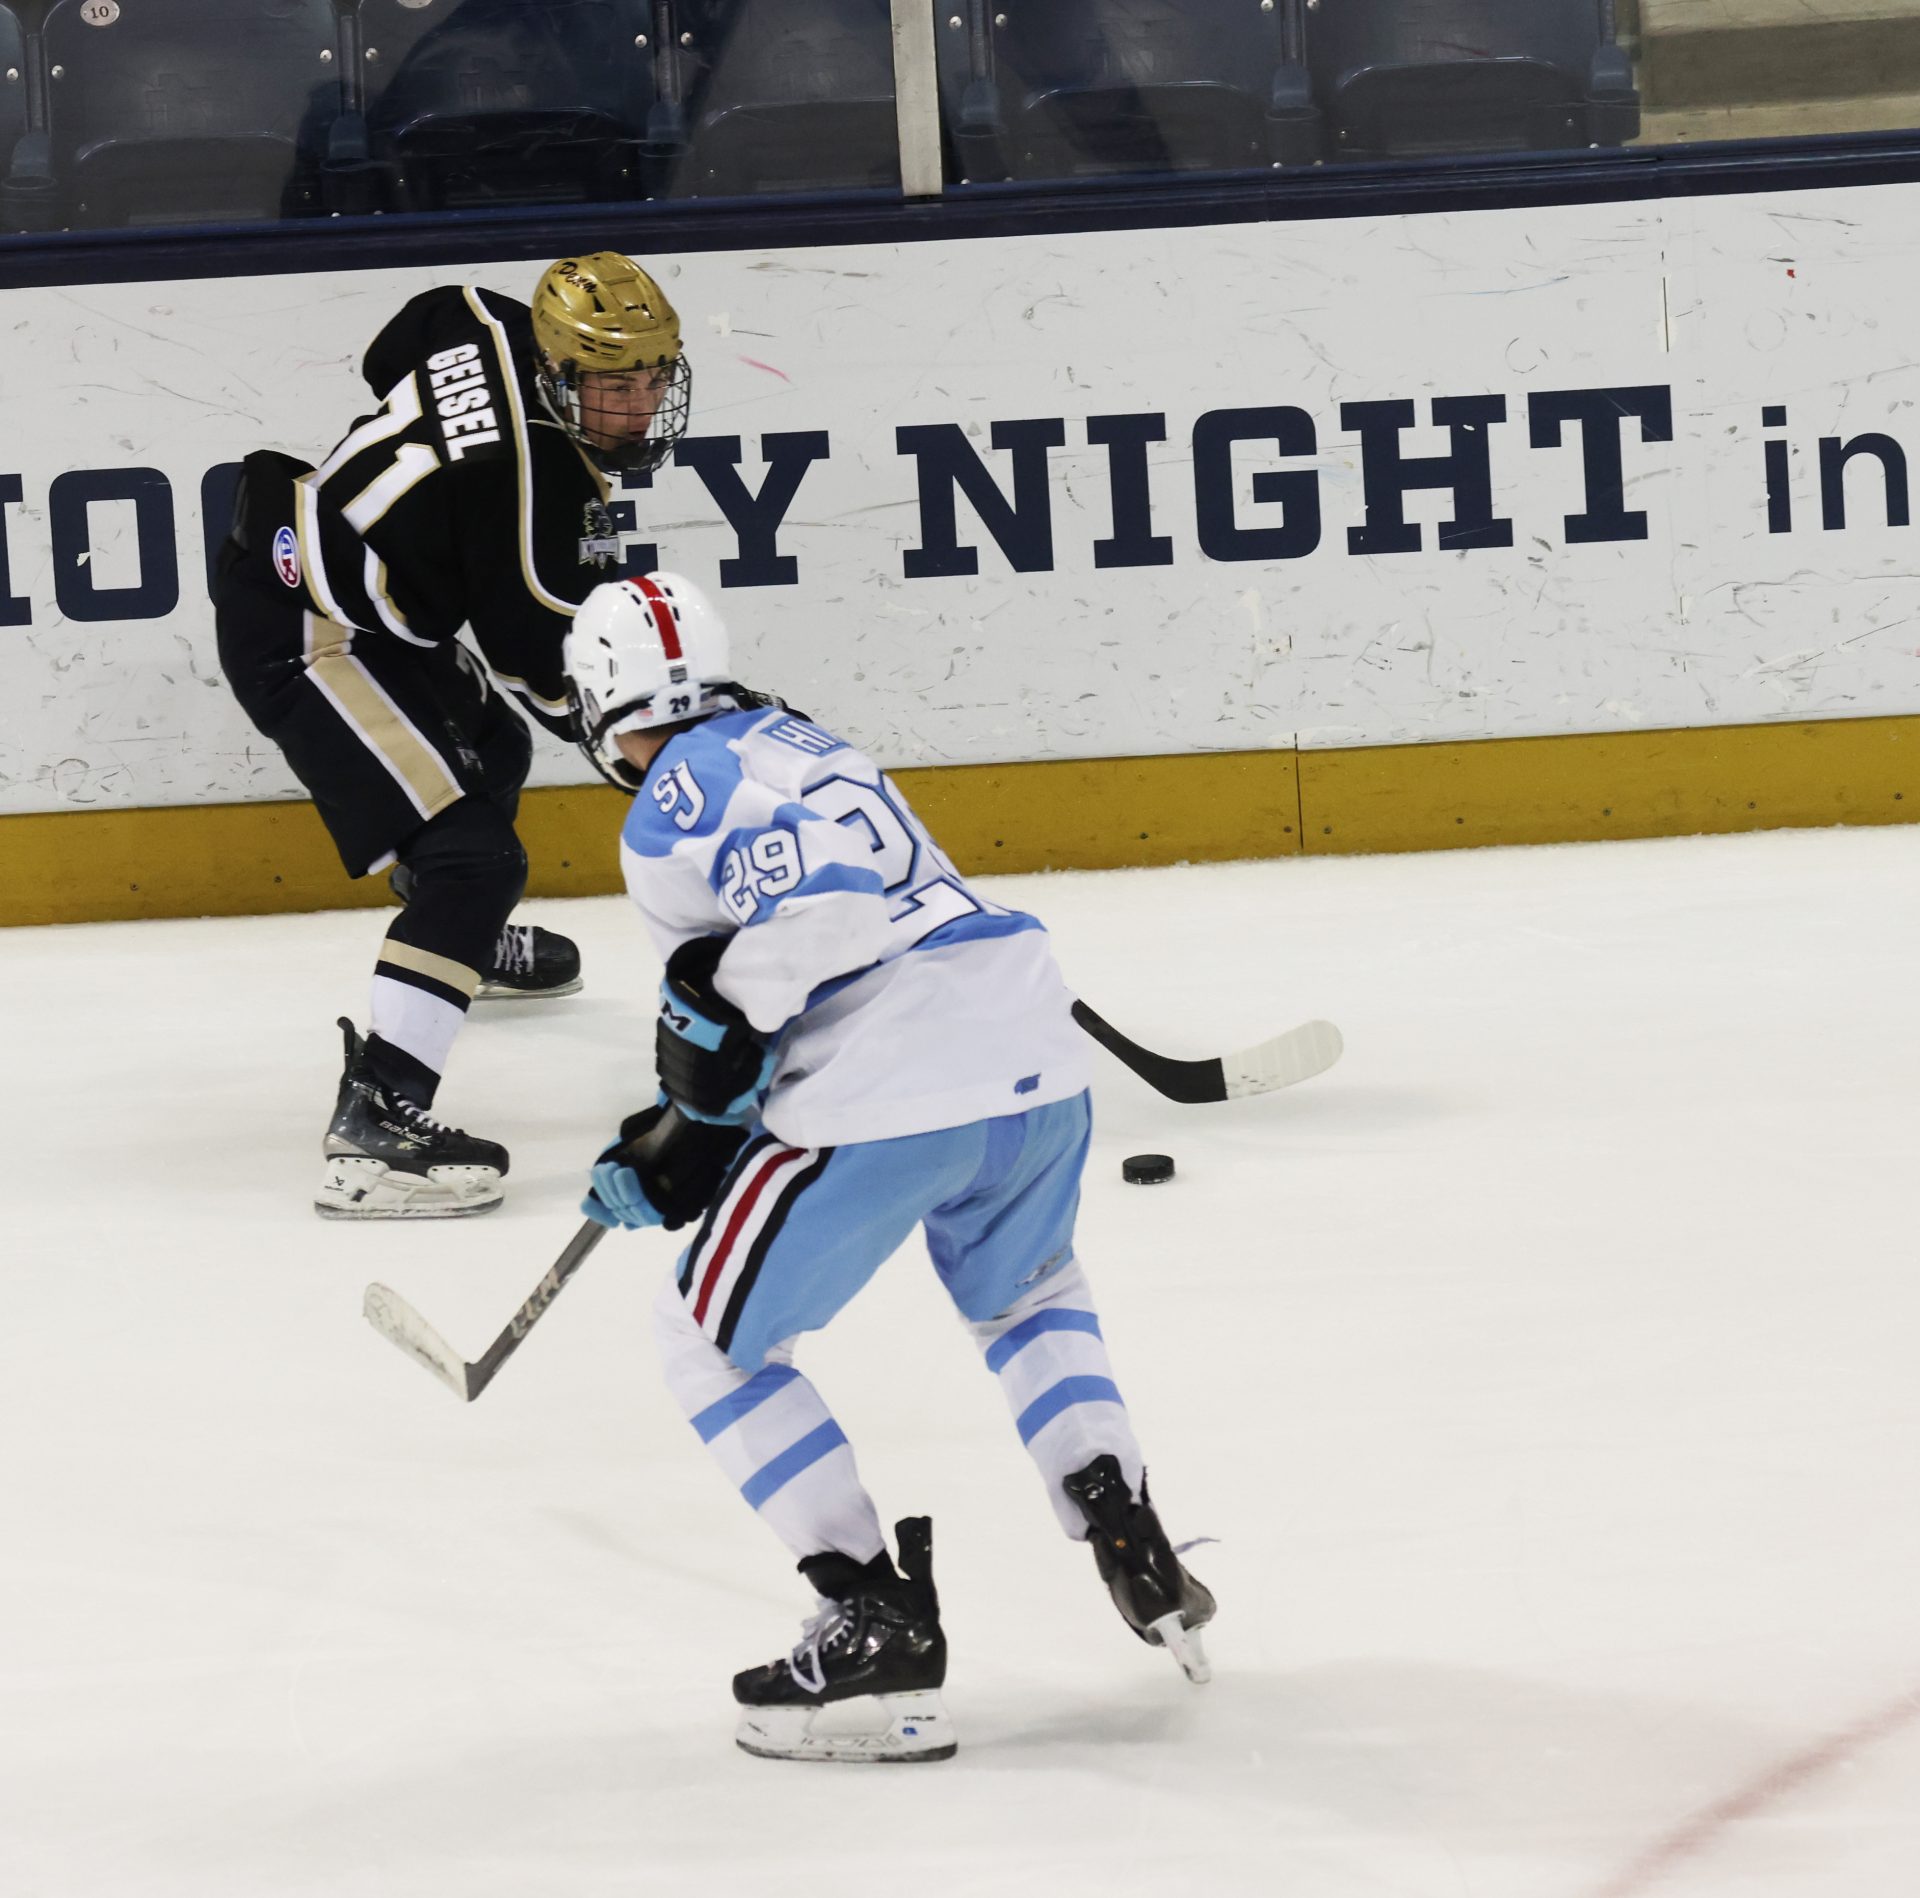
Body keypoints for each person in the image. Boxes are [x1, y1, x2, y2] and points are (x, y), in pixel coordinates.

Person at [563, 572, 1215, 1764]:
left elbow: (822, 923)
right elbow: (767, 994)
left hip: (893, 1077)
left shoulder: (674, 788)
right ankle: (1118, 1508)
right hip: (1029, 1051)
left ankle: (873, 1611)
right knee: (1029, 1294)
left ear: (597, 703)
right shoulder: (800, 737)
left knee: (707, 1340)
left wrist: (696, 1105)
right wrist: (680, 1125)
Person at [213, 251, 692, 1219]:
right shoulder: (532, 488)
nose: (637, 407)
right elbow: (546, 666)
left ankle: (455, 934)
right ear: (558, 369)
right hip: (310, 633)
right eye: (612, 386)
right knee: (475, 857)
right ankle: (377, 1121)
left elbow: (419, 322)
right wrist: (663, 757)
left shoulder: (489, 320)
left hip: (362, 600)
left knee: (492, 747)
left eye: (651, 378)